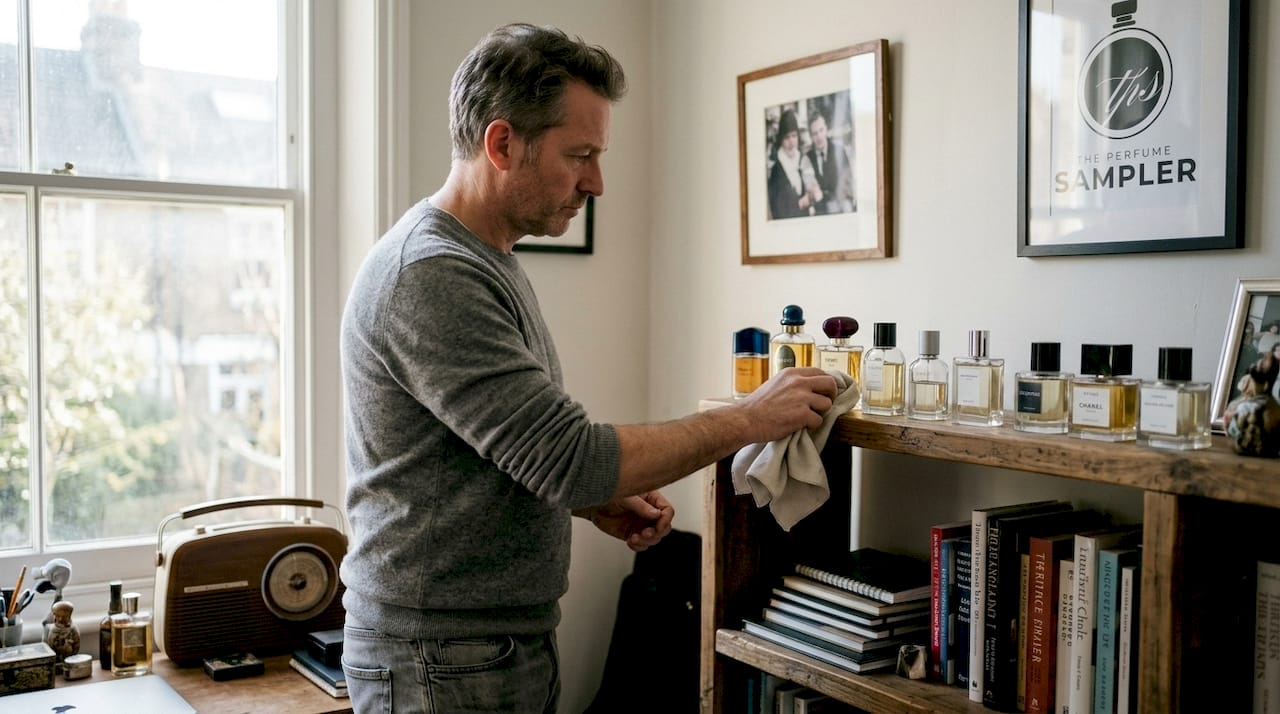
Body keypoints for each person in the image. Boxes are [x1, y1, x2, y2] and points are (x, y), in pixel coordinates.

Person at [338, 23, 838, 714]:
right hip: (440, 661)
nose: (596, 181)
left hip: (482, 649)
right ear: (502, 143)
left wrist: (585, 499)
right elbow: (569, 455)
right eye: (580, 155)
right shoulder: (434, 275)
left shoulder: (487, 258)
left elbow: (499, 450)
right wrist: (751, 418)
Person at [766, 108, 822, 220]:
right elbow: (778, 210)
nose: (791, 142)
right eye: (787, 137)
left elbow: (814, 189)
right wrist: (801, 203)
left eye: (794, 136)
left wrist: (814, 191)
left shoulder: (802, 159)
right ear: (781, 139)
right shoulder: (776, 169)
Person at [805, 110, 855, 214]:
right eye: (814, 133)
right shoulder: (807, 158)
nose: (819, 136)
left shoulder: (839, 151)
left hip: (840, 208)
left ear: (826, 129)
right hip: (819, 211)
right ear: (810, 136)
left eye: (821, 130)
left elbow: (848, 186)